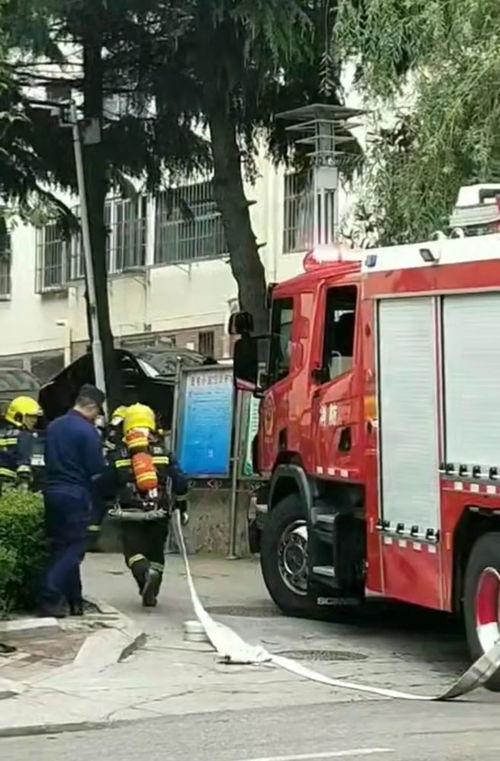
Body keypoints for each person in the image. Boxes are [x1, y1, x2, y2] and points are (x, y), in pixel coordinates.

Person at [107, 403, 188, 607]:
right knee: (156, 551)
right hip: (159, 510)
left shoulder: (119, 453)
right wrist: (181, 504)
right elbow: (180, 481)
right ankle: (153, 581)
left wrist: (106, 503)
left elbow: (107, 481)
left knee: (132, 551)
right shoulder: (163, 451)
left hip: (130, 511)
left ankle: (143, 574)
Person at [39, 384, 106, 618]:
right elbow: (96, 468)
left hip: (51, 492)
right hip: (75, 494)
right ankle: (49, 594)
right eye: (97, 412)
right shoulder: (87, 431)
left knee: (61, 548)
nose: (97, 417)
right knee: (75, 548)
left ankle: (73, 600)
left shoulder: (54, 426)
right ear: (92, 407)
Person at [87, 405, 128, 547]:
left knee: (97, 501)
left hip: (109, 472)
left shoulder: (109, 432)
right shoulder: (123, 433)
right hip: (116, 473)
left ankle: (91, 538)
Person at [0, 396, 42, 492]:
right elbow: (23, 468)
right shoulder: (24, 436)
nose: (34, 420)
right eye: (30, 416)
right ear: (18, 417)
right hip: (9, 486)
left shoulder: (3, 432)